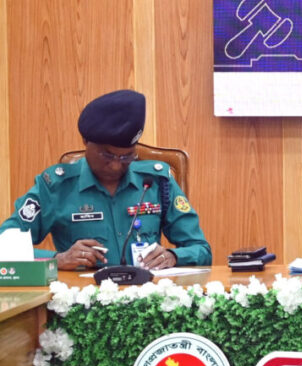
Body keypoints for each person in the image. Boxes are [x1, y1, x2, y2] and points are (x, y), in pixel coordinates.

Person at [1, 89, 212, 270]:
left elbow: (201, 249)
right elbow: (4, 247)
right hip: (81, 301)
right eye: (107, 155)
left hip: (146, 300)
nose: (116, 165)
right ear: (85, 142)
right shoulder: (56, 187)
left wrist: (173, 256)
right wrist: (58, 259)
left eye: (127, 157)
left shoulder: (157, 182)